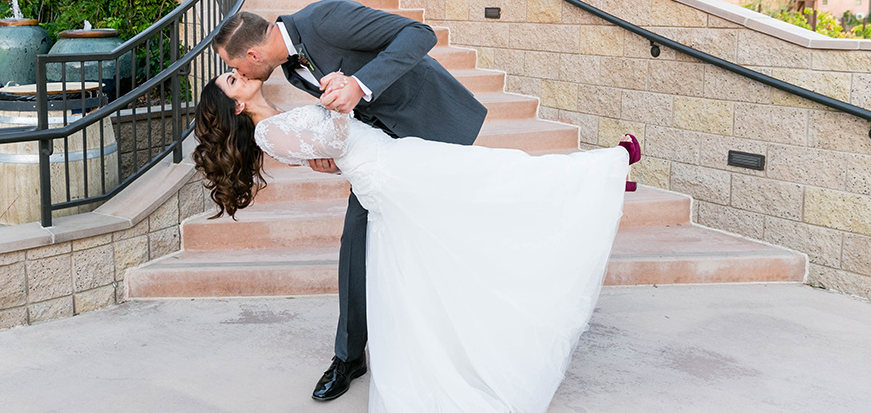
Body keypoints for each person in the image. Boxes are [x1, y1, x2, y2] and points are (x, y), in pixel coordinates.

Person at [193, 71, 640, 412]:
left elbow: (326, 146)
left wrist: (329, 125)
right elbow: (336, 135)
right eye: (233, 80)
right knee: (489, 180)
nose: (242, 74)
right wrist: (341, 93)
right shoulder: (268, 130)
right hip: (391, 174)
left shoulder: (277, 122)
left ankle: (599, 179)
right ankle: (603, 174)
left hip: (391, 164)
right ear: (234, 106)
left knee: (483, 184)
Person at [211, 0, 488, 401]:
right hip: (382, 152)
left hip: (430, 125)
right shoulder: (292, 71)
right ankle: (349, 357)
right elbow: (344, 114)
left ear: (252, 55)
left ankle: (461, 339)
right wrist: (332, 154)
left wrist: (360, 84)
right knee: (355, 244)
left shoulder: (325, 19)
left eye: (235, 67)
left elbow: (419, 34)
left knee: (440, 238)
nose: (238, 73)